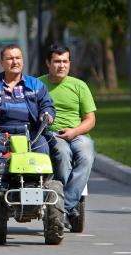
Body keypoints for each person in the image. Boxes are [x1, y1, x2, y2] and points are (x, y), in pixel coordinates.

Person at [39, 44, 96, 229]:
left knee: (86, 154)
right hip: (51, 134)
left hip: (77, 133)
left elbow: (90, 119)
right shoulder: (38, 85)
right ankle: (66, 207)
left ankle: (65, 206)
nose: (61, 65)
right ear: (48, 63)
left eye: (65, 61)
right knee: (63, 155)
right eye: (57, 61)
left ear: (69, 63)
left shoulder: (79, 86)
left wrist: (74, 132)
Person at [0, 44, 56, 165]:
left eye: (18, 58)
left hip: (30, 132)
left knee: (42, 148)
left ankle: (34, 180)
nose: (15, 62)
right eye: (10, 58)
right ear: (1, 62)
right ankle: (5, 174)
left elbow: (47, 105)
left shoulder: (36, 84)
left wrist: (47, 115)